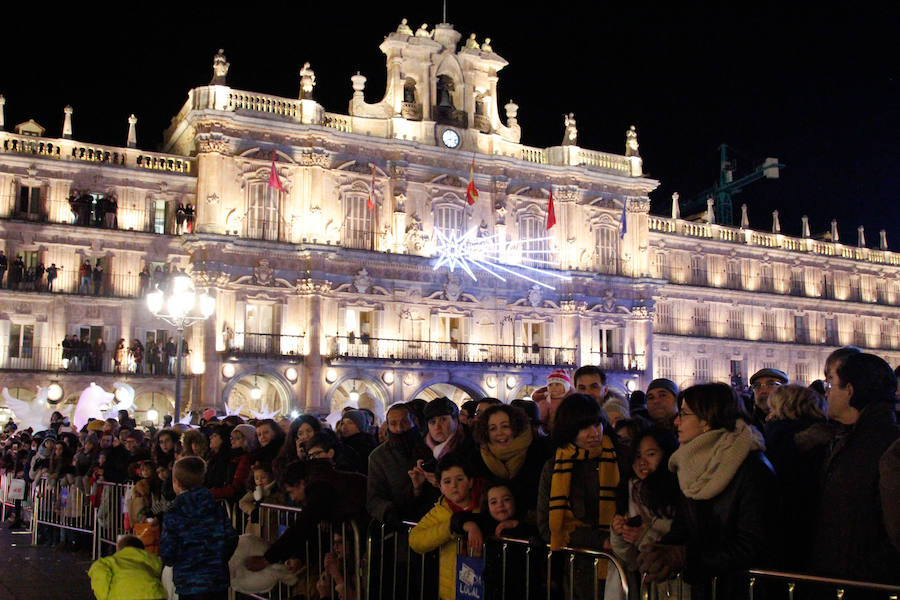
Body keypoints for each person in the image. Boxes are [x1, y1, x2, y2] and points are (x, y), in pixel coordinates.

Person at [639, 383, 777, 600]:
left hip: (745, 590)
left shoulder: (752, 468)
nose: (676, 421)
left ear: (706, 420)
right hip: (708, 587)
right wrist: (663, 549)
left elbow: (753, 544)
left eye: (684, 414)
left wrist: (685, 556)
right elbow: (685, 525)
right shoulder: (690, 465)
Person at [809, 352, 900, 583]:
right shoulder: (843, 438)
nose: (826, 392)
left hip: (864, 582)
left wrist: (865, 574)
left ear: (849, 390)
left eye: (830, 383)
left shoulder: (886, 447)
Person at [537, 393, 621, 600]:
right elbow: (547, 526)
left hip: (618, 564)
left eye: (597, 424)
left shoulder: (618, 458)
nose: (594, 433)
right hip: (576, 568)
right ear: (569, 430)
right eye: (584, 427)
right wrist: (599, 540)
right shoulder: (555, 467)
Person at [607, 427, 681, 600]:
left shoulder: (677, 489)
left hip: (673, 585)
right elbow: (631, 559)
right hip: (643, 584)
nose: (642, 462)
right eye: (638, 455)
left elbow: (678, 536)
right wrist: (619, 534)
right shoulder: (631, 488)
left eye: (651, 454)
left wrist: (645, 535)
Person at [160, 456, 239, 600]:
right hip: (217, 580)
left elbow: (168, 550)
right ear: (202, 479)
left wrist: (173, 560)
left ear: (176, 482)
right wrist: (219, 557)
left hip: (189, 582)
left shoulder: (175, 512)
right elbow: (231, 537)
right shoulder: (215, 507)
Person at [409, 453, 484, 600]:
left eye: (460, 479)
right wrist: (449, 528)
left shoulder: (485, 505)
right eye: (447, 481)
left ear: (470, 482)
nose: (454, 485)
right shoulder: (440, 512)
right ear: (440, 487)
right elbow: (415, 540)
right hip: (450, 591)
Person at [470, 403, 549, 524]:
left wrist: (521, 522)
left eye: (505, 426)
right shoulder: (478, 458)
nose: (499, 433)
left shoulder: (540, 452)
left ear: (516, 427)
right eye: (493, 428)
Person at [367, 402, 436, 527]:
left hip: (432, 519)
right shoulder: (378, 456)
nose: (399, 428)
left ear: (413, 421)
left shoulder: (430, 449)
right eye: (393, 424)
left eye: (404, 422)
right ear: (388, 426)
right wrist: (388, 511)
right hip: (399, 524)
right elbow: (374, 496)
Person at [89, 534, 167, 600]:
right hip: (154, 596)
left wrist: (104, 597)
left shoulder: (109, 562)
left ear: (119, 549)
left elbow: (99, 573)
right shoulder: (153, 561)